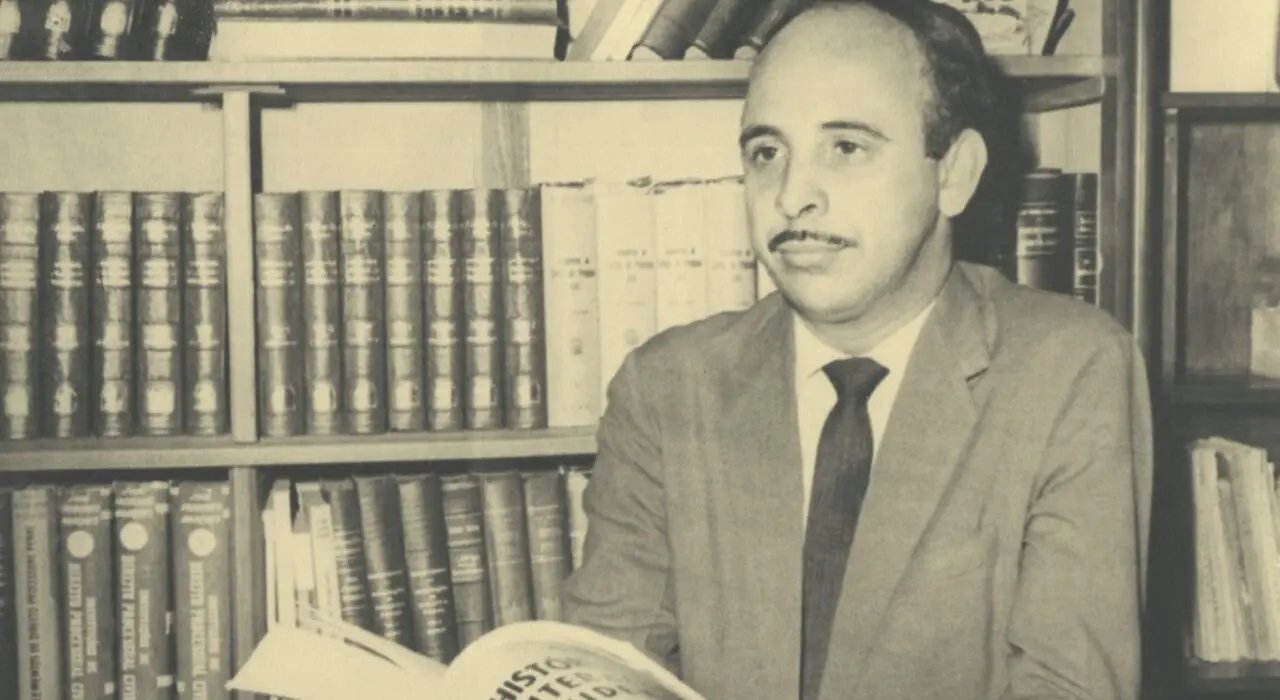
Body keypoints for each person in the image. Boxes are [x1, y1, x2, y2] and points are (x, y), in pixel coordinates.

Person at [560, 0, 1154, 698]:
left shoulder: (1069, 371)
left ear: (954, 174)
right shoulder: (666, 388)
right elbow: (604, 675)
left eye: (846, 147)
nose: (792, 196)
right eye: (766, 152)